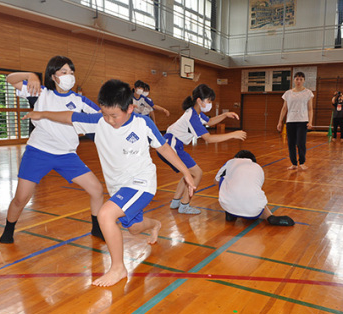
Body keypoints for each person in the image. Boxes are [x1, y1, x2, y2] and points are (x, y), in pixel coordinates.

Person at [23, 79, 196, 287]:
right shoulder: (99, 121)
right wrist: (42, 114)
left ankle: (118, 268)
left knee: (106, 214)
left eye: (114, 115)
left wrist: (186, 172)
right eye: (105, 114)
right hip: (119, 187)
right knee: (133, 228)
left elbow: (164, 148)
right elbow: (68, 117)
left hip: (142, 183)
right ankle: (155, 225)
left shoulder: (143, 124)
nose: (109, 120)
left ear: (130, 108)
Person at [0, 56, 104, 244]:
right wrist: (30, 75)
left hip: (67, 155)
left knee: (96, 189)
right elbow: (10, 79)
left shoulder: (80, 100)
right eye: (63, 72)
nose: (68, 76)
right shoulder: (40, 92)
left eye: (71, 72)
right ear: (53, 75)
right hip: (38, 152)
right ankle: (8, 230)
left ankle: (96, 228)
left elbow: (102, 116)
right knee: (20, 198)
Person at [159, 84, 247, 215]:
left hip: (172, 144)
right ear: (199, 100)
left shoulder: (195, 113)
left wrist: (225, 114)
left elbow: (210, 121)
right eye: (209, 101)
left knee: (188, 173)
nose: (210, 104)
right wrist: (233, 134)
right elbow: (209, 139)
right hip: (172, 145)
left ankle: (176, 202)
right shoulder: (192, 117)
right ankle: (184, 205)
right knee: (197, 173)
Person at [215, 150, 294, 226]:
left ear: (236, 157)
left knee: (223, 179)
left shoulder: (231, 162)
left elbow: (215, 181)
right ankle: (269, 216)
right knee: (254, 191)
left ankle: (230, 213)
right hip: (254, 211)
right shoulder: (258, 167)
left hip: (229, 205)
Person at [277, 72, 314, 170]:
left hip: (302, 121)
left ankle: (302, 162)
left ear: (304, 81)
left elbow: (310, 109)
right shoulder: (288, 93)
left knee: (301, 143)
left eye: (301, 79)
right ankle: (293, 163)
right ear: (294, 80)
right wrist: (280, 121)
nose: (298, 81)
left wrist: (310, 121)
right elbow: (284, 108)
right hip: (290, 121)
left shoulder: (308, 93)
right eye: (297, 79)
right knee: (291, 143)